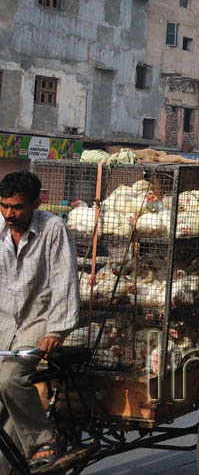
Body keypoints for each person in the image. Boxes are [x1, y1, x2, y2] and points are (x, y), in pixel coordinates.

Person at [0, 171, 78, 470]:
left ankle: (42, 441)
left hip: (36, 323)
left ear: (36, 203)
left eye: (17, 207)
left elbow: (64, 280)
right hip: (3, 321)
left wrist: (57, 330)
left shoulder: (52, 229)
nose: (9, 214)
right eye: (4, 206)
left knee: (10, 378)